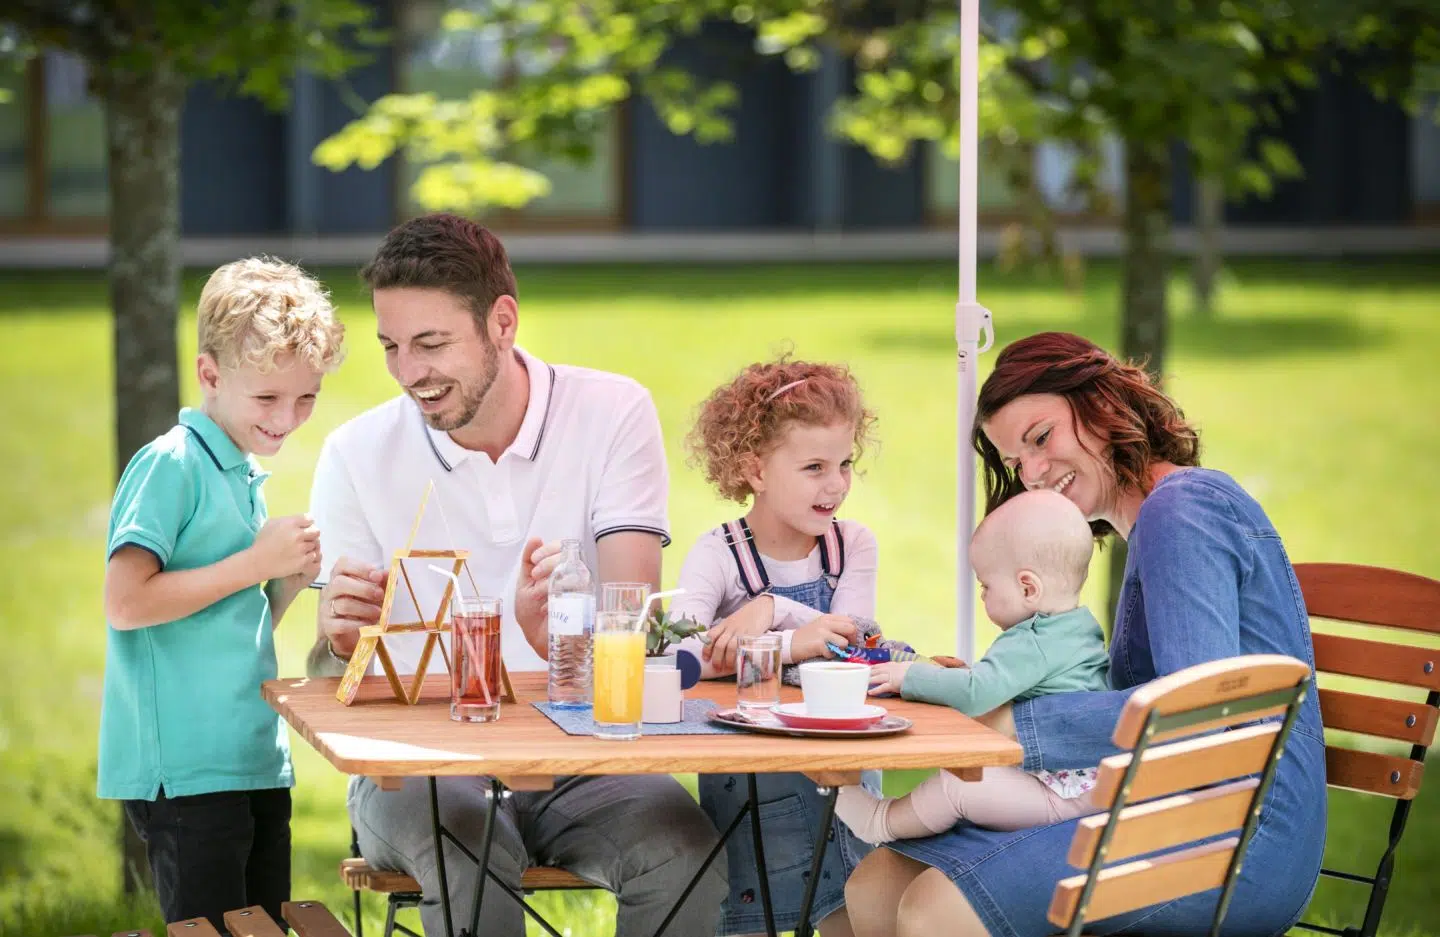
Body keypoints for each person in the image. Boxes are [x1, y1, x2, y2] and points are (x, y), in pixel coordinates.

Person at [305, 212, 726, 937]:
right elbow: (327, 671)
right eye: (392, 348)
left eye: (432, 344)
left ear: (502, 321)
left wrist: (568, 634)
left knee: (684, 850)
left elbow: (636, 626)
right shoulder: (355, 453)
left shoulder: (611, 412)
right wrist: (338, 635)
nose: (410, 374)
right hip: (422, 766)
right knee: (468, 846)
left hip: (580, 755)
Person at [843, 331, 1326, 937]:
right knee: (873, 885)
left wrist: (1010, 722)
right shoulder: (1157, 520)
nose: (1035, 473)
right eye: (1017, 463)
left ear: (1100, 403)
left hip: (1234, 836)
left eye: (1041, 438)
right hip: (1160, 807)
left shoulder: (1181, 511)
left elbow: (1199, 710)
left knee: (933, 906)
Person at [98, 257, 346, 928]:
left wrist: (284, 583)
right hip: (187, 771)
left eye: (306, 397)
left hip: (253, 756)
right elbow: (126, 602)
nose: (288, 417)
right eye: (268, 397)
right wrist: (253, 560)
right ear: (210, 374)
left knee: (263, 923)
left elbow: (227, 617)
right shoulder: (171, 463)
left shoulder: (239, 473)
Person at [668, 358, 880, 937]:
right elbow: (680, 662)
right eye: (814, 467)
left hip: (845, 787)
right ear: (754, 469)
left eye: (844, 465)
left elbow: (853, 644)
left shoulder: (852, 546)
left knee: (852, 917)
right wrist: (792, 641)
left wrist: (770, 611)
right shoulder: (718, 554)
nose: (835, 485)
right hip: (752, 793)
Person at [835, 489, 1109, 845]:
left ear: (1028, 587)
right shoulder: (1078, 626)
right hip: (1088, 788)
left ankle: (881, 822)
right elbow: (1004, 684)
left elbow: (977, 694)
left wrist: (910, 677)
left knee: (960, 783)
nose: (982, 596)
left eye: (986, 586)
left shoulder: (1034, 640)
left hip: (1063, 800)